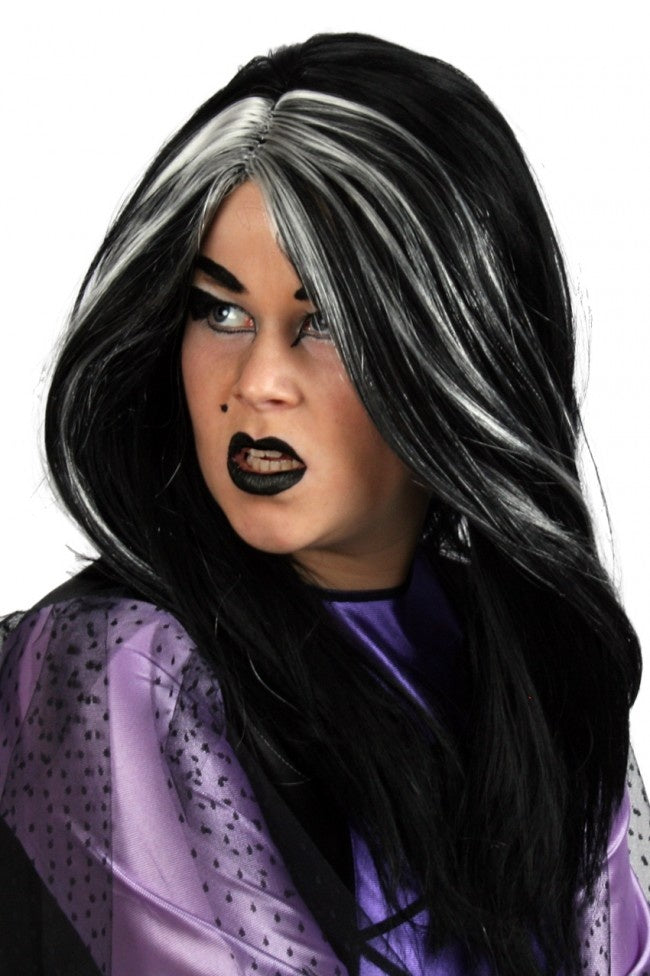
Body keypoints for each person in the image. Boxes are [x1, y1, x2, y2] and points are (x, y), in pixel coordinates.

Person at [0, 31, 648, 976]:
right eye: (221, 311)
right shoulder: (115, 666)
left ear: (456, 355)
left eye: (326, 324)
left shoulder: (537, 662)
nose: (257, 382)